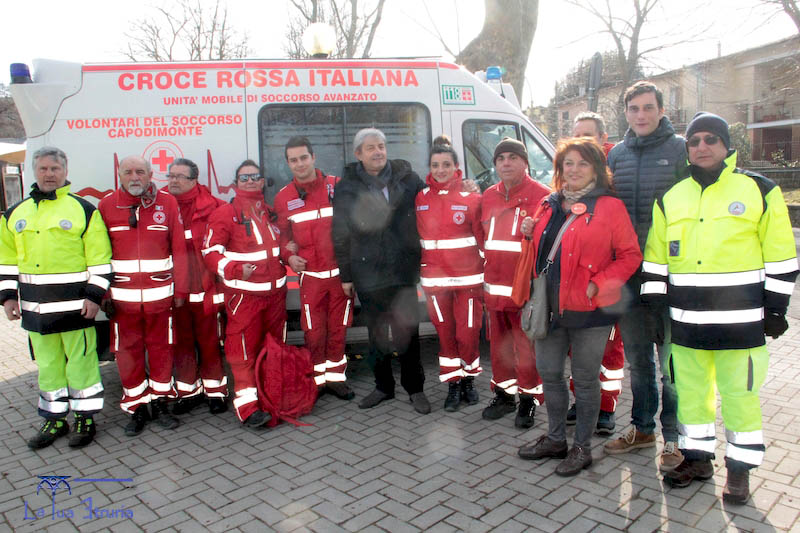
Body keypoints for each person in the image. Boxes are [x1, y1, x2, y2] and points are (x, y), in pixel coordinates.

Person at [641, 112, 797, 503]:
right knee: (692, 396)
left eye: (711, 139)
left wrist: (776, 310)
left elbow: (781, 256)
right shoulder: (671, 197)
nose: (702, 147)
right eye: (694, 141)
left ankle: (740, 472)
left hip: (741, 324)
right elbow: (656, 259)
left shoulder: (759, 190)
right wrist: (655, 309)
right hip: (687, 325)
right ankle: (697, 459)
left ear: (728, 145)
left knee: (740, 397)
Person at [516, 137, 641, 476]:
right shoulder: (548, 203)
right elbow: (541, 252)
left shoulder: (610, 207)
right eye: (567, 164)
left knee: (585, 381)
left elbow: (631, 255)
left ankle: (582, 448)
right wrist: (529, 231)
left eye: (582, 164)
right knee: (551, 375)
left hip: (591, 311)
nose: (573, 170)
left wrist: (599, 283)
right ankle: (556, 439)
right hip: (550, 309)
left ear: (596, 170)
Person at [0, 147, 112, 449]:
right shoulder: (15, 213)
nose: (49, 174)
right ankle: (53, 420)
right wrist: (8, 296)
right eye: (44, 169)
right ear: (35, 172)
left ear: (65, 171)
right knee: (48, 366)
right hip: (35, 309)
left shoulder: (84, 210)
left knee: (82, 365)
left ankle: (85, 419)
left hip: (77, 308)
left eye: (55, 169)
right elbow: (7, 261)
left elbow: (100, 261)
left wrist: (94, 296)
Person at [604, 81, 688, 472]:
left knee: (671, 365)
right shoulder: (617, 154)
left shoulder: (681, 149)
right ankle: (642, 429)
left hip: (672, 276)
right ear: (626, 112)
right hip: (628, 275)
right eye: (634, 108)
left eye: (648, 108)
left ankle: (675, 437)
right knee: (638, 361)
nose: (641, 115)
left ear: (660, 109)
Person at [331, 128, 430, 414]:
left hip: (403, 272)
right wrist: (346, 276)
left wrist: (466, 187)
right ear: (358, 154)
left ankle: (416, 389)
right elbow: (341, 233)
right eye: (371, 148)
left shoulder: (408, 180)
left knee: (409, 335)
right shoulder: (347, 187)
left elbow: (433, 201)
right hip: (368, 274)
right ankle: (383, 387)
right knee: (376, 337)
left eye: (381, 146)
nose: (378, 152)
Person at [99, 156, 189, 436]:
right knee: (128, 355)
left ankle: (161, 403)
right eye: (128, 172)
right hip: (122, 302)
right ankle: (137, 407)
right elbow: (98, 255)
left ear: (150, 175)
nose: (134, 177)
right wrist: (103, 293)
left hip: (160, 298)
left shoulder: (168, 203)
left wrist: (182, 289)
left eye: (140, 171)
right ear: (119, 175)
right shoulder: (106, 206)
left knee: (162, 351)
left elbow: (179, 249)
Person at [203, 160, 286, 428]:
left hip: (275, 297)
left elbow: (278, 248)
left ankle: (270, 398)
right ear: (236, 184)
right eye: (244, 178)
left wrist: (291, 252)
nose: (250, 181)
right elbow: (210, 253)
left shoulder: (269, 212)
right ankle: (248, 408)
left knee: (272, 350)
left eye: (255, 177)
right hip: (244, 299)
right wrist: (236, 269)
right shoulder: (225, 214)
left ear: (262, 181)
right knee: (243, 354)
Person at [274, 136, 355, 401]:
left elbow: (354, 229)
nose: (300, 164)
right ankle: (317, 382)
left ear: (313, 157)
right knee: (314, 332)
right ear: (288, 163)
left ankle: (336, 379)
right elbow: (282, 238)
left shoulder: (337, 187)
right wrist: (289, 257)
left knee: (338, 329)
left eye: (303, 158)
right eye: (294, 160)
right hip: (311, 279)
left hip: (339, 277)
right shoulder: (284, 198)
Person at [481, 137, 550, 428]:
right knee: (499, 347)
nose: (506, 163)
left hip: (524, 290)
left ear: (525, 162)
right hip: (494, 290)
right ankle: (504, 395)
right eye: (500, 158)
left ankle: (528, 400)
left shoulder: (543, 196)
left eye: (513, 157)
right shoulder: (487, 196)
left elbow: (549, 243)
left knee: (526, 350)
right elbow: (478, 236)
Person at [415, 135, 484, 412]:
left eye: (446, 164)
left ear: (456, 166)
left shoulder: (472, 197)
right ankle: (453, 384)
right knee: (445, 335)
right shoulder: (420, 197)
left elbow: (482, 238)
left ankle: (469, 380)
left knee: (468, 334)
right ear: (429, 168)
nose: (440, 170)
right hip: (435, 283)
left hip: (468, 282)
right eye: (435, 165)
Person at [569, 111, 626, 435]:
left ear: (603, 141)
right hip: (575, 284)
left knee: (609, 348)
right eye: (578, 135)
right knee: (580, 349)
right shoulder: (573, 178)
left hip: (606, 281)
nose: (583, 142)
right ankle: (583, 401)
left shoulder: (612, 181)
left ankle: (606, 408)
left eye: (589, 135)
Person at [163, 158, 228, 416]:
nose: (174, 181)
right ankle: (189, 393)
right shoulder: (160, 206)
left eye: (180, 176)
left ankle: (216, 392)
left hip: (205, 289)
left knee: (210, 342)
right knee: (182, 345)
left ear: (194, 180)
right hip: (176, 292)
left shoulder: (215, 208)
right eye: (171, 176)